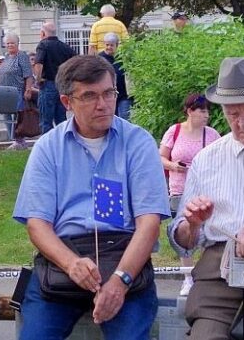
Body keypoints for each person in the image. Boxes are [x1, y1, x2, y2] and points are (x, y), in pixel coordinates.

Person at [13, 55, 169, 340]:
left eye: (108, 93)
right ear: (66, 102)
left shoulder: (138, 142)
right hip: (63, 259)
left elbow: (149, 224)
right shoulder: (48, 147)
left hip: (124, 257)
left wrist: (120, 282)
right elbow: (37, 224)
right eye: (89, 96)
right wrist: (72, 263)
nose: (103, 104)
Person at [170, 57, 244, 338]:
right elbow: (184, 243)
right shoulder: (206, 159)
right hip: (220, 273)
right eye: (233, 114)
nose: (240, 124)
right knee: (206, 335)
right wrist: (193, 224)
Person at [159, 93, 220, 297]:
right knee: (182, 232)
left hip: (205, 191)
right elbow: (160, 158)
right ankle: (187, 277)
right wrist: (174, 166)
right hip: (179, 189)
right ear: (190, 111)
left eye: (207, 111)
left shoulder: (211, 135)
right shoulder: (174, 131)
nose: (206, 115)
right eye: (202, 110)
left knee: (205, 233)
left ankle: (203, 274)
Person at [34, 22, 77, 136]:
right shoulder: (65, 47)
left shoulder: (43, 45)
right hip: (62, 87)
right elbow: (76, 63)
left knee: (46, 121)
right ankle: (63, 144)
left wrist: (38, 79)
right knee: (61, 120)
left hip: (47, 85)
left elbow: (38, 63)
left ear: (43, 33)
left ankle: (47, 148)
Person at [0, 33, 34, 149]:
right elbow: (1, 72)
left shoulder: (22, 56)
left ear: (17, 44)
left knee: (16, 116)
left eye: (12, 43)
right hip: (4, 92)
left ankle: (19, 140)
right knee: (6, 115)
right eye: (8, 43)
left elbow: (28, 75)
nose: (10, 45)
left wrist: (28, 89)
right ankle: (13, 139)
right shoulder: (6, 57)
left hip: (17, 91)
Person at [97, 33, 131, 121]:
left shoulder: (123, 57)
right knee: (110, 119)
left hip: (123, 95)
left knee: (125, 118)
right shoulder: (100, 59)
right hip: (107, 95)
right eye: (107, 45)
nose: (109, 47)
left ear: (117, 45)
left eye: (111, 45)